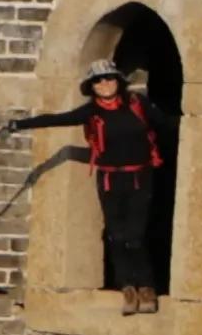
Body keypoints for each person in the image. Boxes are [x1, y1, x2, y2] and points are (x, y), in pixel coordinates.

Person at [10, 56, 178, 302]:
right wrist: (19, 124)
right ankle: (126, 286)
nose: (105, 84)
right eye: (98, 81)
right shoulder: (92, 112)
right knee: (116, 234)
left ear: (118, 81)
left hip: (140, 178)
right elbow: (57, 119)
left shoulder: (137, 104)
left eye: (109, 78)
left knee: (135, 235)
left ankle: (146, 285)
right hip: (110, 179)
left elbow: (166, 124)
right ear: (92, 87)